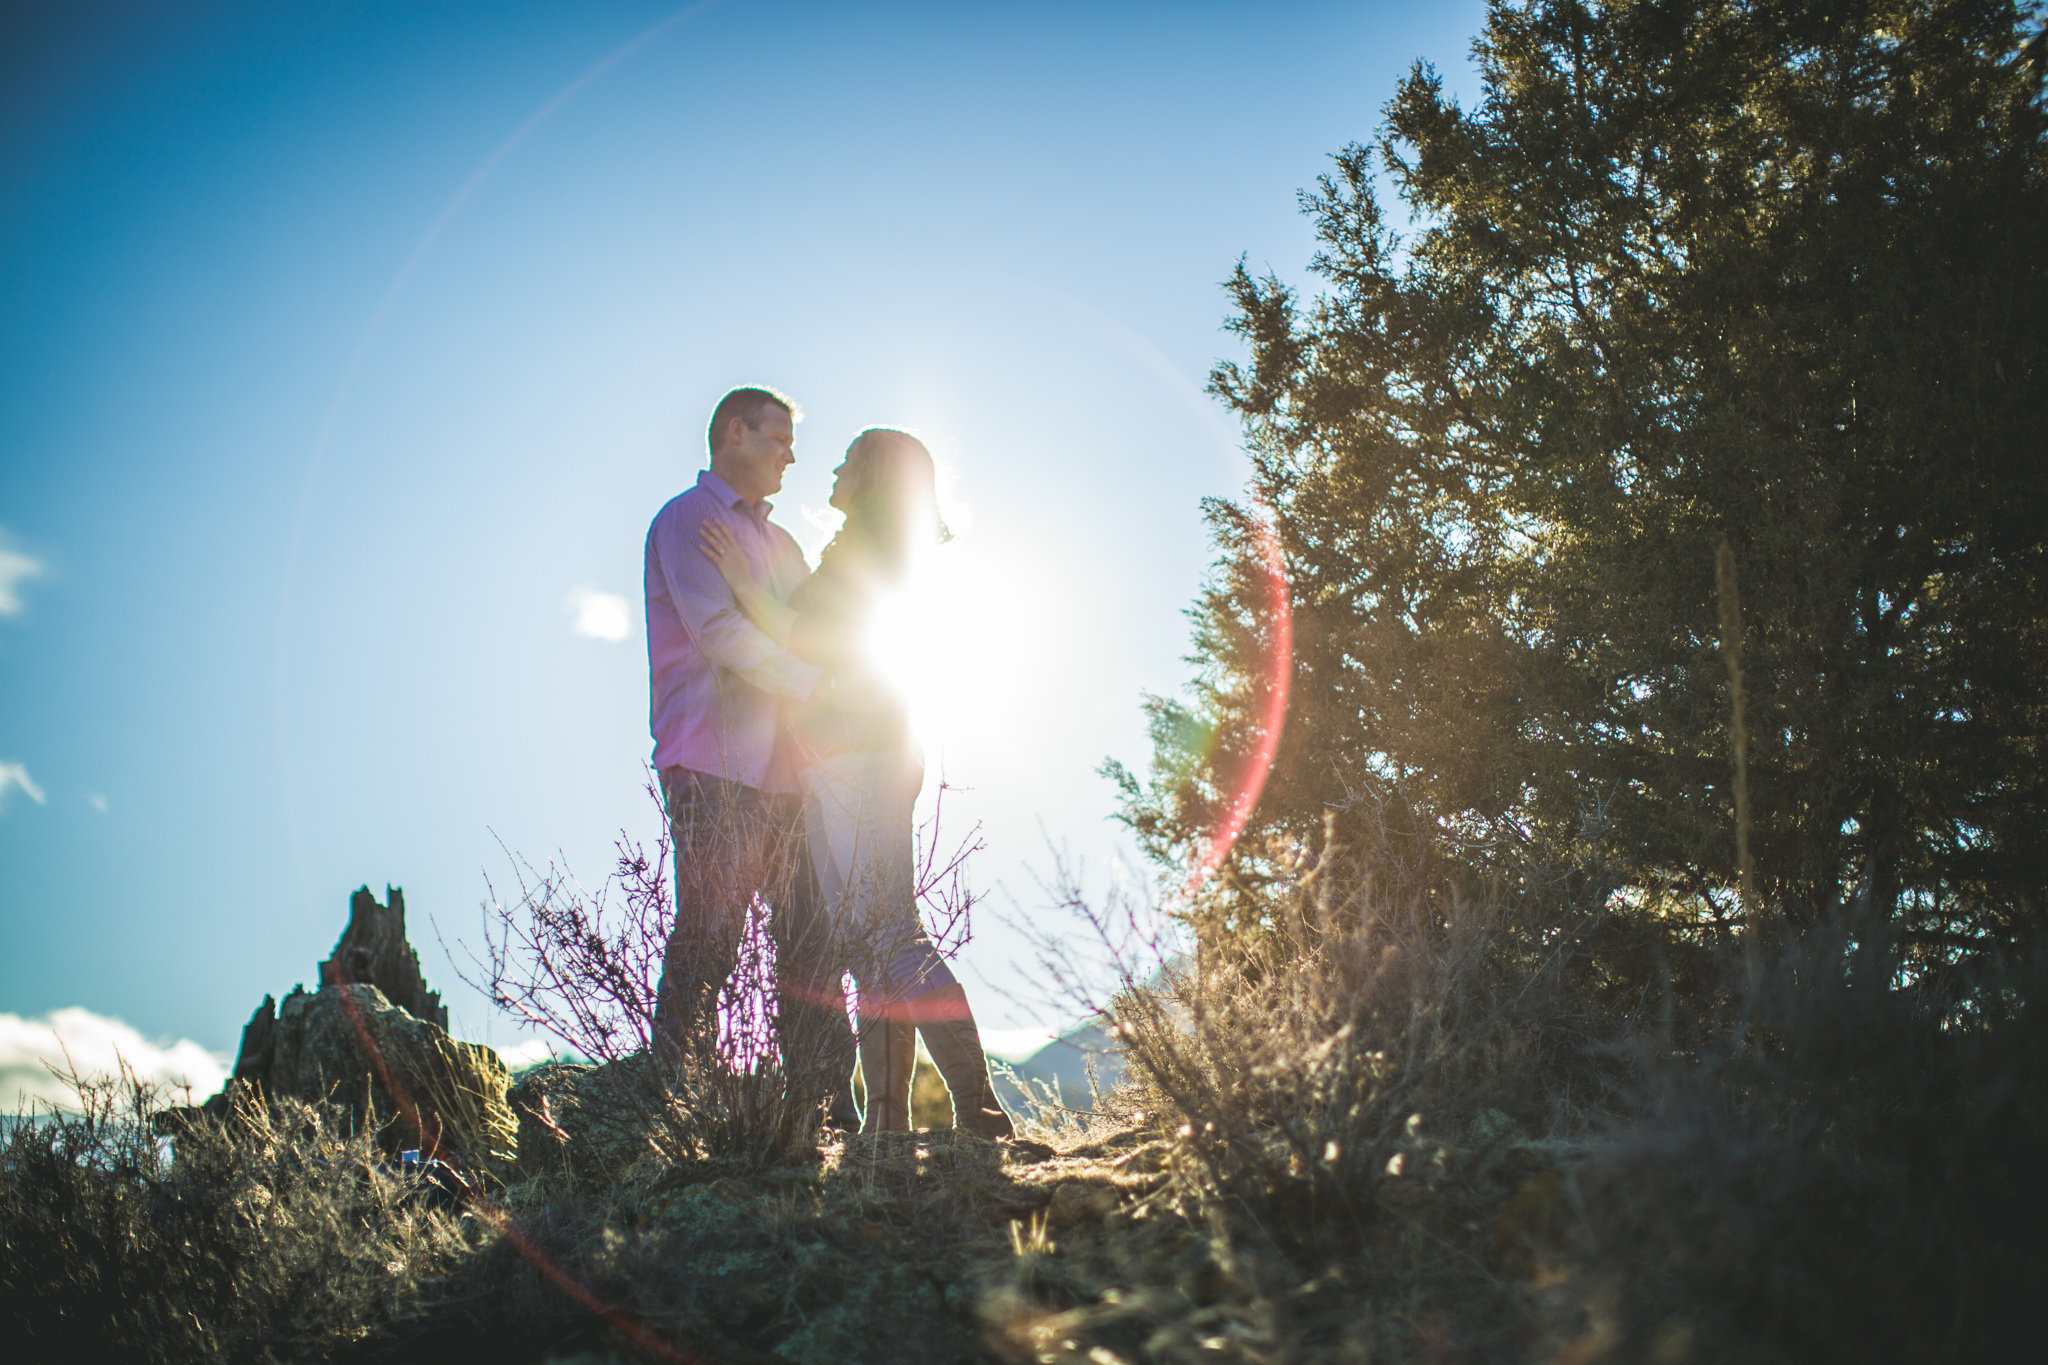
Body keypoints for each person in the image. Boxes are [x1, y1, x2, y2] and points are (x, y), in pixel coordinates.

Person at [699, 427, 1015, 1137]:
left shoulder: (865, 548)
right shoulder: (867, 546)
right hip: (842, 760)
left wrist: (746, 587)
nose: (832, 469)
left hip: (860, 758)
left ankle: (977, 1107)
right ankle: (888, 1124)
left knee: (893, 937)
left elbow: (810, 639)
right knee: (874, 946)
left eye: (847, 459)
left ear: (871, 476)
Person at [643, 385, 855, 1127]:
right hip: (711, 759)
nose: (791, 455)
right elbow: (719, 635)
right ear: (734, 432)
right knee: (712, 928)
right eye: (778, 438)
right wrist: (814, 684)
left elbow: (805, 628)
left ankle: (828, 1111)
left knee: (809, 939)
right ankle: (672, 1096)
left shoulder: (785, 545)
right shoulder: (686, 520)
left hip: (787, 772)